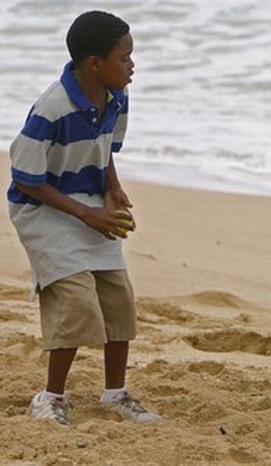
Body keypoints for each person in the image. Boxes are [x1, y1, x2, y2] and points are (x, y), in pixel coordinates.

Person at [7, 10, 160, 425]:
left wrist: (111, 187)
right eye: (125, 57)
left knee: (117, 298)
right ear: (95, 63)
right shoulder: (50, 110)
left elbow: (103, 147)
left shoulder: (116, 96)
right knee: (75, 300)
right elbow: (26, 177)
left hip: (89, 200)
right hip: (41, 207)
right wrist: (86, 214)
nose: (132, 65)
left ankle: (115, 393)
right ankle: (50, 397)